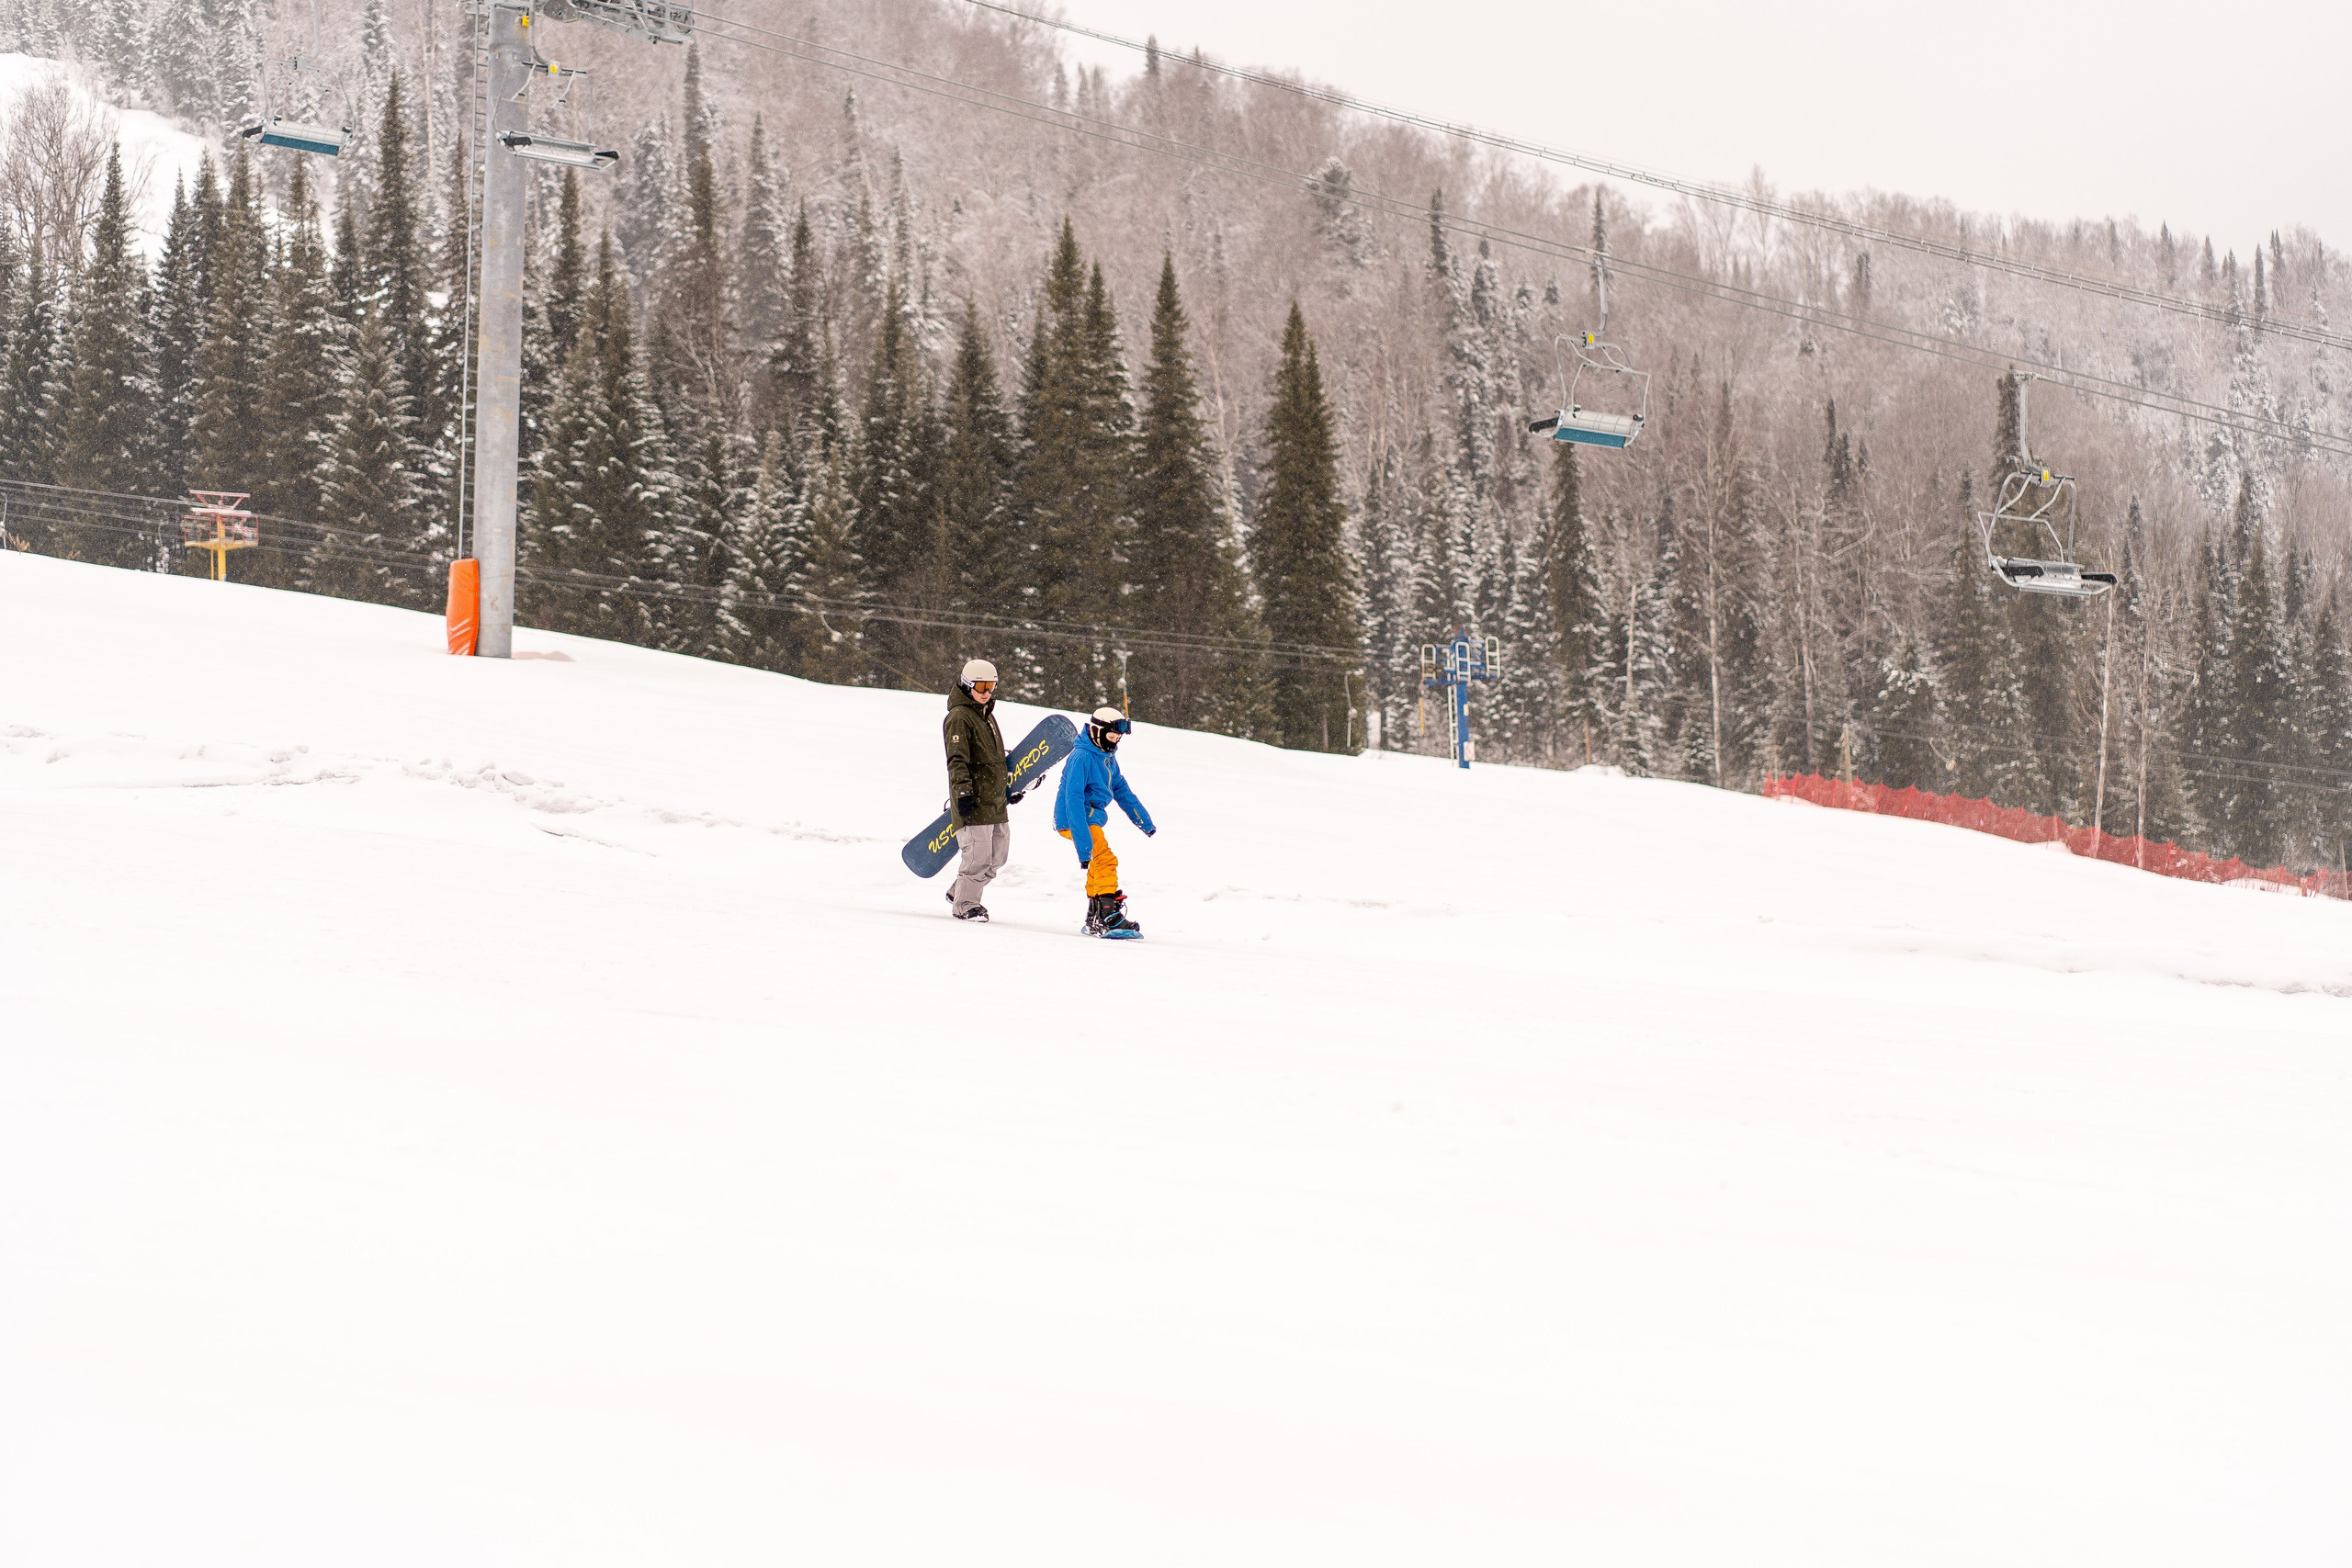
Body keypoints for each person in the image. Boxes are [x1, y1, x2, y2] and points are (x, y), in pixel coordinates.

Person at [1055, 705, 1156, 937]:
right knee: (1105, 859)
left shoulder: (1106, 756)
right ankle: (1108, 916)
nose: (1115, 742)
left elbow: (1121, 790)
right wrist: (1083, 848)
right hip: (1075, 818)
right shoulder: (1082, 757)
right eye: (1111, 736)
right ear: (1097, 732)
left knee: (1098, 863)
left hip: (1089, 818)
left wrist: (1144, 822)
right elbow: (1073, 800)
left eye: (1118, 737)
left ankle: (1095, 915)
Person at [943, 659, 1023, 921]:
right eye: (981, 686)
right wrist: (963, 793)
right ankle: (965, 906)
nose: (987, 691)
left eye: (991, 686)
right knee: (976, 859)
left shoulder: (986, 715)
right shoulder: (959, 717)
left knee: (996, 859)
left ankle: (960, 891)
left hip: (995, 802)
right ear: (968, 686)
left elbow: (994, 760)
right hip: (974, 803)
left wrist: (1008, 789)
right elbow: (957, 760)